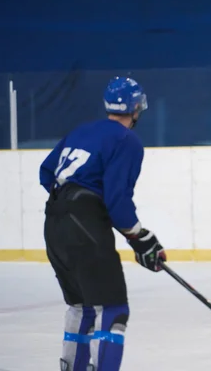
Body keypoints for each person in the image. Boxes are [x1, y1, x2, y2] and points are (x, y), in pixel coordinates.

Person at [39, 76, 167, 370]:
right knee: (112, 308)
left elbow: (46, 173)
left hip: (54, 223)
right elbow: (117, 200)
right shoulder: (127, 141)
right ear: (136, 108)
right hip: (84, 226)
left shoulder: (82, 131)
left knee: (81, 306)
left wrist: (74, 206)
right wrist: (140, 237)